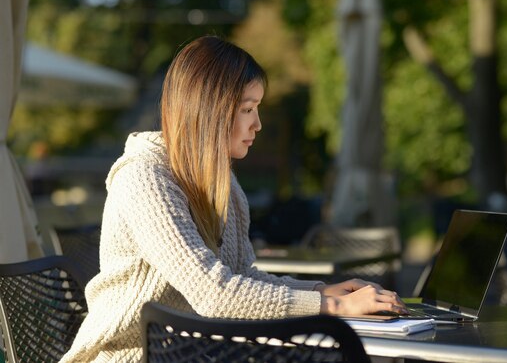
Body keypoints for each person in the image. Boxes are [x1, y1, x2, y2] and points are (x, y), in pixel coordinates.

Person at [60, 35, 406, 362]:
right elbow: (215, 294)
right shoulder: (145, 180)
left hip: (194, 352)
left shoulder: (223, 183)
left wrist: (323, 292)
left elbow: (242, 276)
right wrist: (333, 309)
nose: (258, 124)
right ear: (209, 111)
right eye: (246, 109)